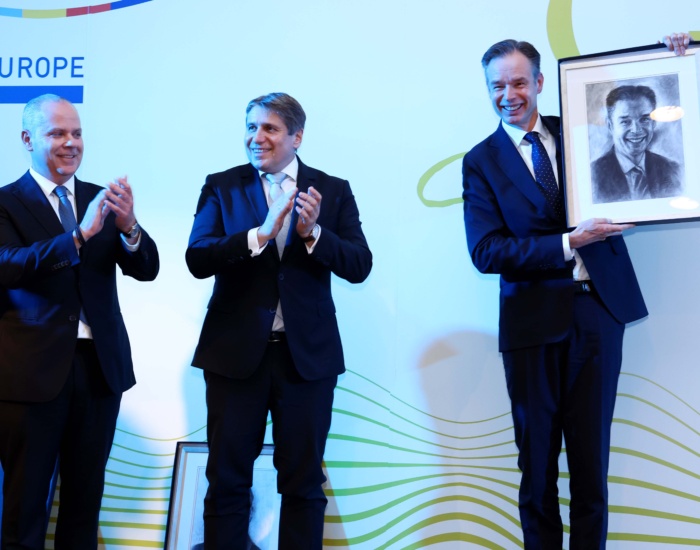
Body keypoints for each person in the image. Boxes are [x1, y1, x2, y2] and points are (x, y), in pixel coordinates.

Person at [462, 34, 689, 549]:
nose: (508, 95)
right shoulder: (480, 161)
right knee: (537, 467)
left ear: (540, 82)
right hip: (531, 324)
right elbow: (486, 252)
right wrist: (568, 243)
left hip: (598, 314)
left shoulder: (584, 133)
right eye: (497, 86)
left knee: (591, 467)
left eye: (519, 83)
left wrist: (673, 52)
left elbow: (640, 100)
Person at [186, 92, 372, 549]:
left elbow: (359, 265)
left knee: (304, 482)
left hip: (305, 361)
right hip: (234, 359)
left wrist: (314, 234)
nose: (256, 137)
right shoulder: (222, 185)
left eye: (269, 128)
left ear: (297, 137)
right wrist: (258, 235)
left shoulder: (333, 189)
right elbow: (198, 257)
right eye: (251, 127)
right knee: (227, 478)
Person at [0, 94, 159, 549]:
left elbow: (147, 268)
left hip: (98, 369)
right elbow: (8, 265)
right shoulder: (6, 202)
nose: (71, 143)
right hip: (31, 376)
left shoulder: (100, 199)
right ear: (27, 139)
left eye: (77, 133)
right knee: (25, 507)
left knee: (84, 505)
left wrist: (129, 227)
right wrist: (79, 235)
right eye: (57, 133)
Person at [591, 85, 683, 203]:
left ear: (653, 123)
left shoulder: (673, 171)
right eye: (625, 122)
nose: (636, 130)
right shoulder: (592, 176)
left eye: (644, 119)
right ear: (610, 126)